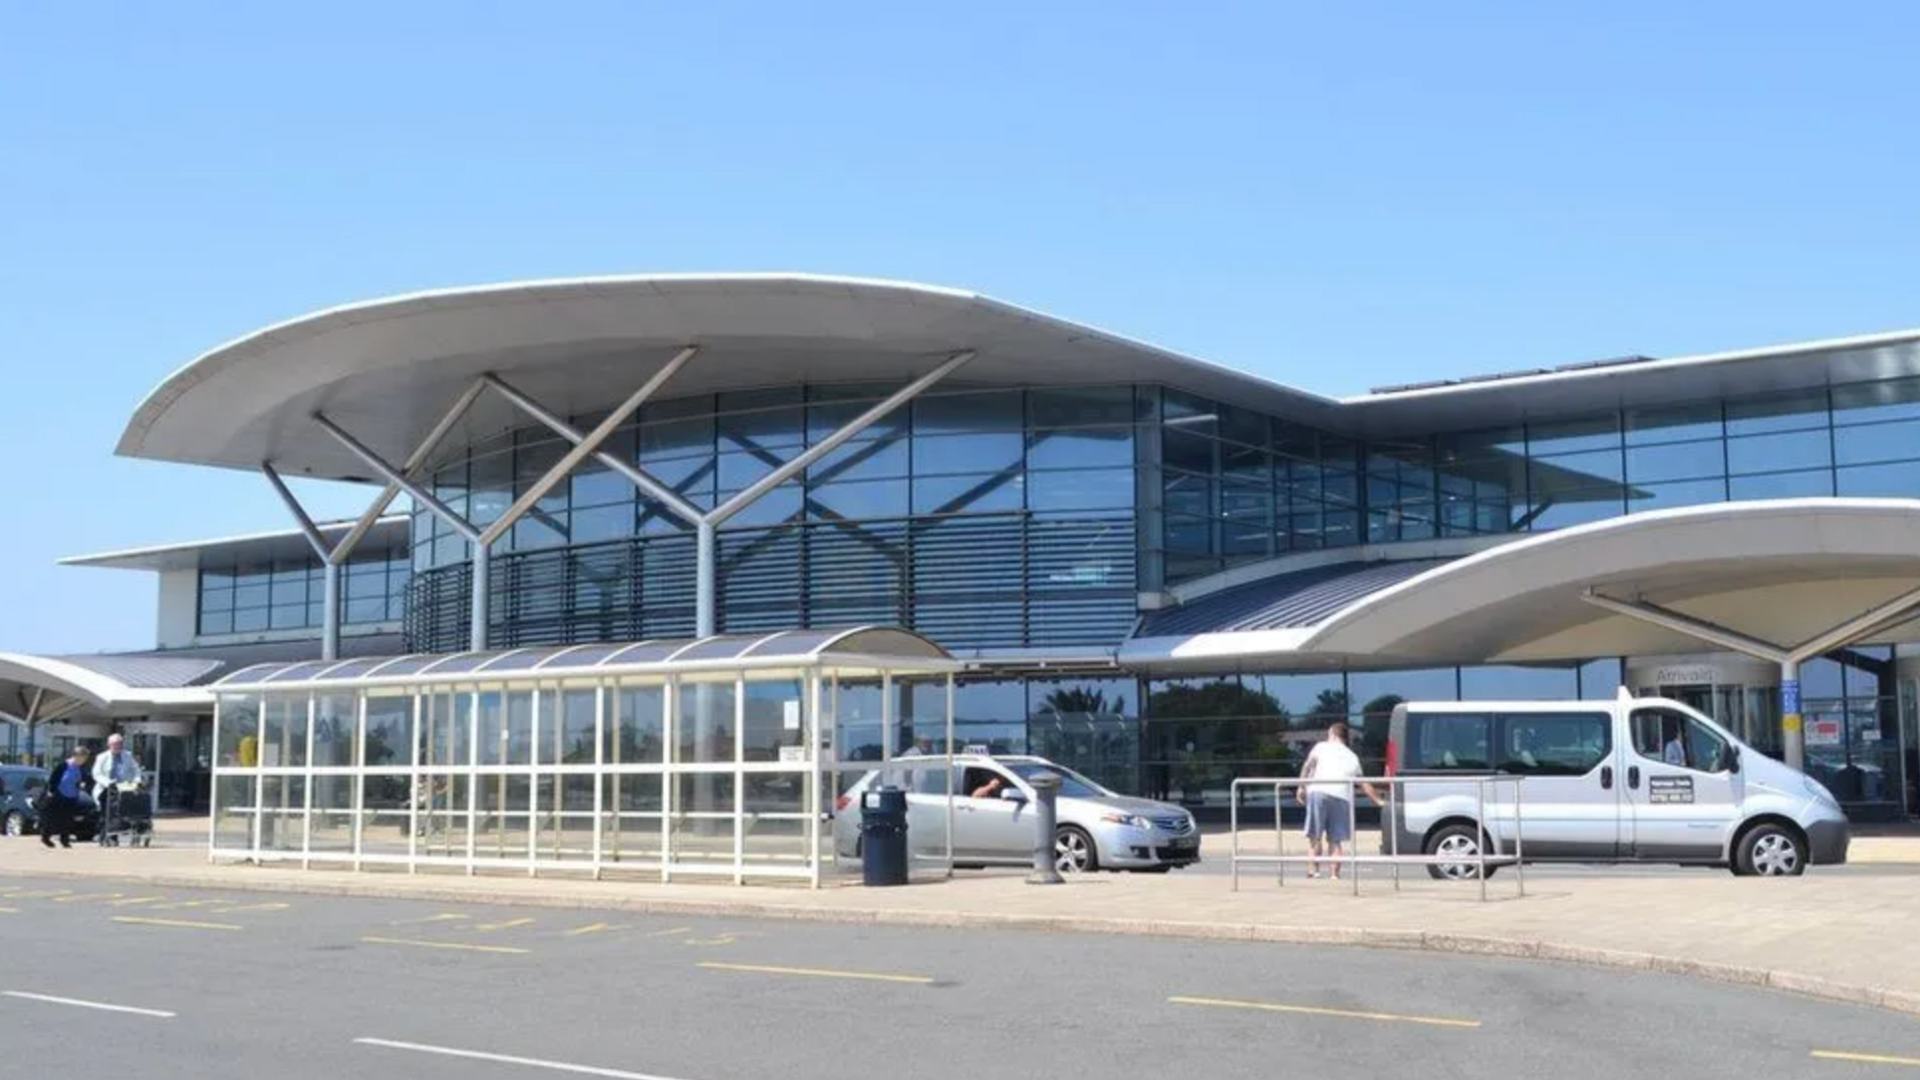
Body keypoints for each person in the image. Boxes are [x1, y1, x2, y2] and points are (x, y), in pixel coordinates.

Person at [1296, 722, 1382, 880]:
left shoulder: (1321, 746)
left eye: (1328, 735)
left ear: (1333, 735)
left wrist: (1301, 787)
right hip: (1342, 796)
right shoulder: (1352, 756)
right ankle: (1334, 875)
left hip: (1319, 791)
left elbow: (1307, 766)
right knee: (1335, 840)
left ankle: (1313, 872)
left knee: (1314, 836)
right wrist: (1378, 801)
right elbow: (1363, 782)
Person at [40, 747, 94, 849]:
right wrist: (51, 792)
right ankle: (45, 837)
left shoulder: (81, 768)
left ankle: (64, 840)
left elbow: (85, 779)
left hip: (72, 796)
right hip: (58, 796)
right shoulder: (63, 765)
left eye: (85, 758)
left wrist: (83, 783)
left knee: (67, 820)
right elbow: (53, 778)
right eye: (83, 758)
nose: (84, 760)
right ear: (77, 756)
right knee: (53, 819)